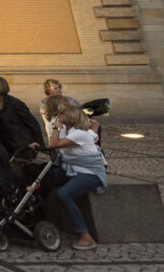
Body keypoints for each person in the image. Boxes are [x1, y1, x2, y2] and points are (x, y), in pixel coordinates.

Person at [31, 100, 106, 250]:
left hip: (89, 173)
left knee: (64, 194)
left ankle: (85, 235)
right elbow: (57, 150)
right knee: (43, 179)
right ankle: (35, 215)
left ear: (70, 116)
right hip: (72, 168)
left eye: (61, 114)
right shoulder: (69, 132)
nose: (58, 116)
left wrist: (56, 128)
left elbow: (54, 145)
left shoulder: (79, 134)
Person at [0, 76, 43, 155]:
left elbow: (32, 123)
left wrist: (39, 144)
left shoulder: (15, 103)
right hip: (5, 144)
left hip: (22, 143)